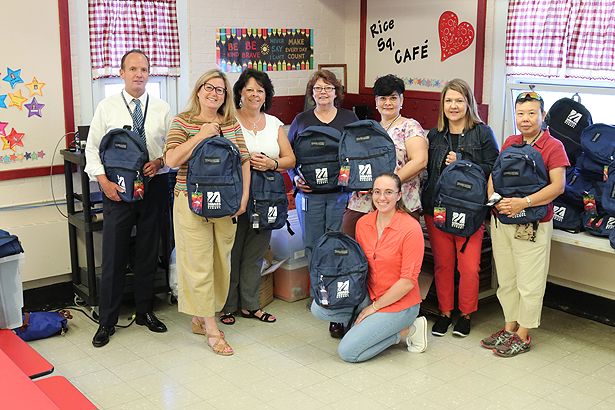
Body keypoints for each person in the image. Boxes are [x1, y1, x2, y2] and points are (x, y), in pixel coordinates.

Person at [85, 49, 171, 348]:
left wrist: (160, 162)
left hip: (154, 186)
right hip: (117, 189)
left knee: (148, 250)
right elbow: (92, 149)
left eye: (144, 69)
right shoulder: (107, 107)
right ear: (121, 73)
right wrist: (103, 181)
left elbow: (171, 149)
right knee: (114, 254)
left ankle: (145, 311)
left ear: (150, 74)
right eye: (132, 69)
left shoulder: (162, 108)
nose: (139, 74)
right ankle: (106, 320)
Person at [164, 69, 251, 356]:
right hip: (191, 200)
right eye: (209, 88)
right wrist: (201, 135)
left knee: (219, 262)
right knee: (198, 262)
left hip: (226, 202)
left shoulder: (231, 123)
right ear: (198, 90)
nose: (214, 94)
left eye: (220, 90)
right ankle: (213, 329)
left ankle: (201, 316)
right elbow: (172, 159)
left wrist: (243, 197)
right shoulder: (182, 121)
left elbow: (245, 161)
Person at [482, 91, 568, 357]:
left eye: (532, 113)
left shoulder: (553, 146)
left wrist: (524, 202)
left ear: (543, 115)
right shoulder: (510, 142)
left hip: (532, 222)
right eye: (521, 113)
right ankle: (509, 327)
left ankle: (523, 334)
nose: (526, 119)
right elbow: (494, 176)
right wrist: (494, 200)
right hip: (503, 219)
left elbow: (558, 186)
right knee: (507, 278)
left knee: (529, 281)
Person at [311, 173, 428, 362]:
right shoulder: (363, 223)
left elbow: (407, 282)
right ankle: (365, 323)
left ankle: (408, 330)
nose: (382, 198)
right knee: (319, 307)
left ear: (399, 195)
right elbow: (358, 267)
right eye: (378, 192)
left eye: (389, 192)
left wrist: (373, 308)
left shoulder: (410, 228)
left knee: (348, 352)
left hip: (400, 303)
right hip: (368, 293)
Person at [421, 78, 500, 338]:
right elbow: (428, 173)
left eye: (459, 100)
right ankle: (445, 312)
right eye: (448, 100)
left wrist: (464, 162)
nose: (453, 106)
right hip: (438, 210)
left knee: (469, 267)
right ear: (442, 104)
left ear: (468, 103)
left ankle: (465, 314)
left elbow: (495, 169)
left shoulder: (482, 132)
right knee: (444, 265)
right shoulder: (433, 135)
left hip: (470, 211)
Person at [218, 69, 296, 325]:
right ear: (240, 92)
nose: (254, 94)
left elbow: (290, 159)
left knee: (255, 252)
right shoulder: (227, 120)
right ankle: (227, 306)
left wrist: (271, 163)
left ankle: (251, 305)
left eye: (260, 90)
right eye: (249, 89)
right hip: (234, 194)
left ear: (266, 95)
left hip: (266, 197)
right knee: (231, 252)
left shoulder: (274, 123)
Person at [287, 70, 359, 339]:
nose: (323, 93)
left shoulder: (349, 118)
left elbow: (358, 153)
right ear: (312, 93)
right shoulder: (301, 120)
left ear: (336, 92)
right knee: (313, 245)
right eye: (318, 88)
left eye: (328, 88)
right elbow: (289, 157)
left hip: (340, 194)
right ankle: (317, 293)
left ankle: (337, 296)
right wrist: (295, 179)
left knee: (338, 245)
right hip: (310, 197)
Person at [342, 74, 427, 238]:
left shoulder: (409, 126)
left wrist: (385, 186)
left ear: (401, 100)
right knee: (351, 243)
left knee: (394, 253)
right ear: (376, 101)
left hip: (400, 201)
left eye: (393, 98)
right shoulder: (368, 129)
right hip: (364, 201)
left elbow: (420, 161)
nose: (388, 103)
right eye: (383, 98)